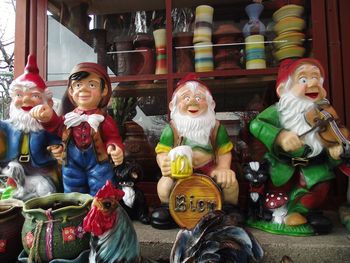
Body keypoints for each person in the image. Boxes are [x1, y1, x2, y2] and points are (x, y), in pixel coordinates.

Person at [249, 58, 345, 233]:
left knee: (320, 185)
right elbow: (256, 125)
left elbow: (336, 135)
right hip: (283, 166)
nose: (313, 83)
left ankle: (302, 211)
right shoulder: (279, 111)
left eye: (317, 78)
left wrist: (334, 153)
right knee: (278, 189)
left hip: (313, 168)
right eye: (303, 79)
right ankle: (280, 212)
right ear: (283, 89)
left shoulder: (324, 113)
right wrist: (280, 136)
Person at [151, 73, 239, 229]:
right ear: (173, 106)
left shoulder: (216, 128)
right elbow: (162, 152)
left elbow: (223, 152)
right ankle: (168, 209)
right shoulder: (172, 129)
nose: (192, 102)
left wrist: (223, 168)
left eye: (199, 98)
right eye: (186, 98)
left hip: (210, 168)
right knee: (164, 185)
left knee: (229, 182)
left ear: (211, 104)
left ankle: (228, 210)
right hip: (181, 170)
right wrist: (164, 163)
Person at [30, 62, 124, 196]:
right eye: (78, 85)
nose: (83, 90)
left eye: (92, 85)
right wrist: (47, 116)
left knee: (101, 191)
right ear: (71, 91)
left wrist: (115, 148)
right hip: (71, 163)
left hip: (99, 163)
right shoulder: (69, 118)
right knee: (73, 192)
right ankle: (76, 215)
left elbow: (113, 138)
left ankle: (100, 216)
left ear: (104, 90)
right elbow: (56, 125)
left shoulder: (103, 119)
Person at [0, 54, 61, 193]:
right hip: (16, 171)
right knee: (12, 196)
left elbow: (59, 139)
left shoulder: (47, 127)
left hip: (43, 170)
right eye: (19, 95)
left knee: (45, 192)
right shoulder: (8, 126)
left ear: (48, 102)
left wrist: (59, 148)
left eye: (34, 96)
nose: (26, 101)